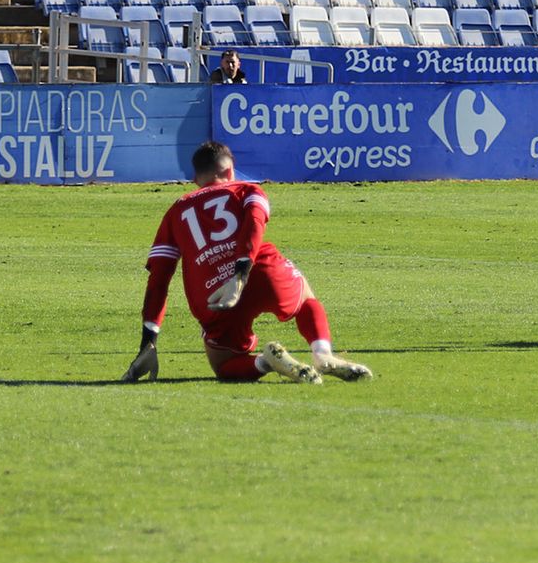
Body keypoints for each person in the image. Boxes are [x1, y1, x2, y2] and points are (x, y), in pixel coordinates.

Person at [121, 140, 372, 384]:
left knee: (223, 364)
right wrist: (240, 274)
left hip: (213, 295)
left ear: (196, 180)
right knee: (305, 297)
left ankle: (265, 362)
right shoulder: (248, 190)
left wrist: (149, 341)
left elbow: (159, 278)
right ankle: (322, 354)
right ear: (230, 170)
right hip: (261, 270)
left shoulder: (175, 211)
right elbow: (254, 225)